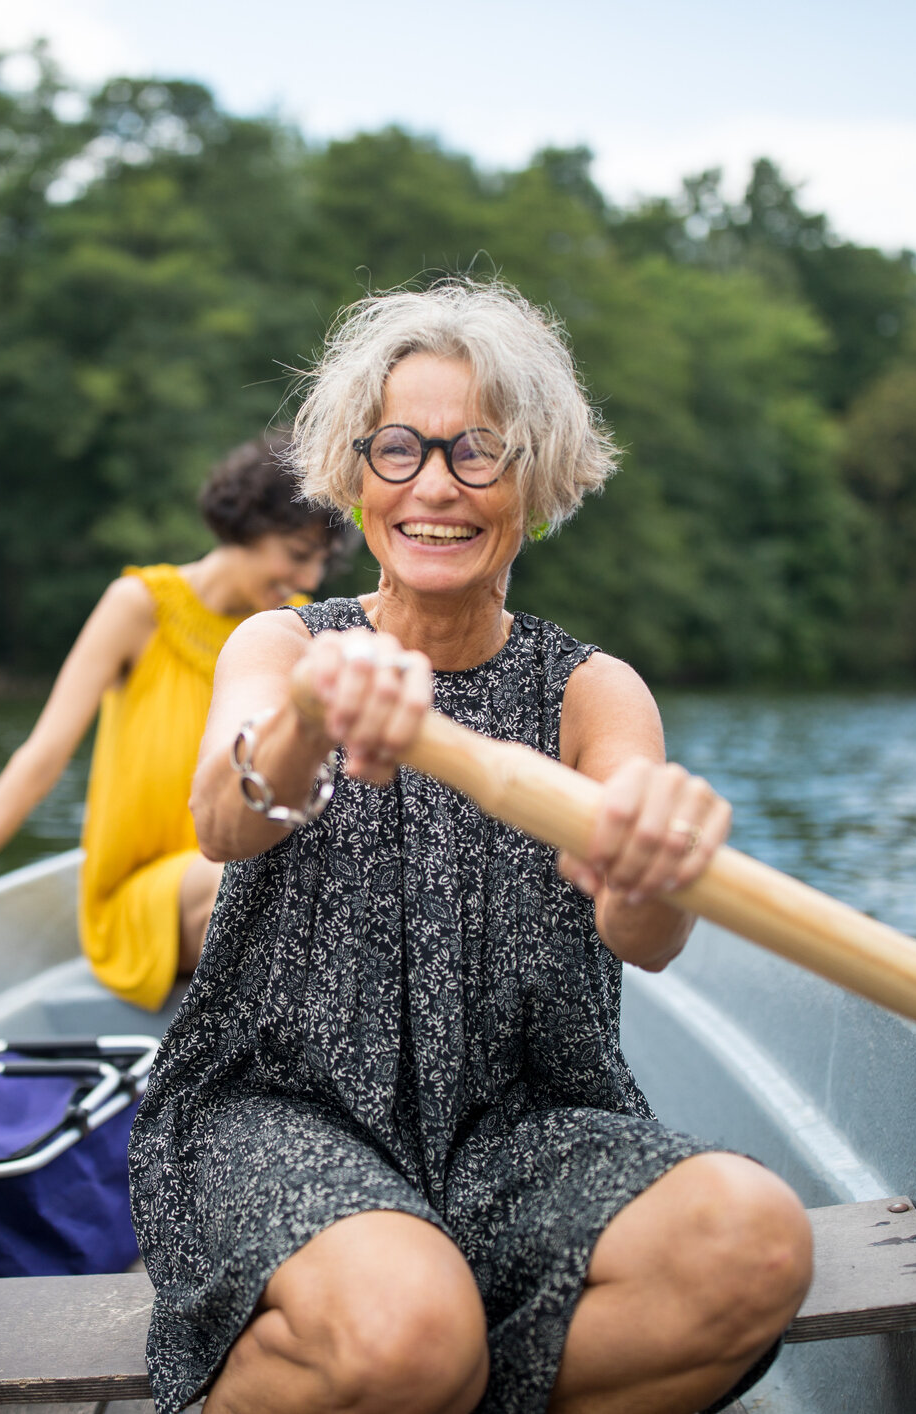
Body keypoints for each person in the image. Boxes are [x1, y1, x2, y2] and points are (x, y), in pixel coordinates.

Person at [129, 282, 814, 1414]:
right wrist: (312, 713)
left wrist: (657, 858)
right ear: (353, 481)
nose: (433, 484)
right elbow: (222, 815)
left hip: (519, 1123)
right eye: (397, 449)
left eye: (477, 451)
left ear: (538, 484)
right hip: (281, 1109)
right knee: (409, 1331)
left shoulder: (595, 691)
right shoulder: (282, 642)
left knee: (755, 1241)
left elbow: (643, 937)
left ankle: (438, 1386)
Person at [0, 433, 344, 1011]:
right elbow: (43, 757)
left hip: (242, 863)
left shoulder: (294, 628)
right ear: (248, 525)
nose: (305, 580)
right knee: (239, 882)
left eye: (318, 564)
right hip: (141, 895)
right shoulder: (139, 605)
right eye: (295, 553)